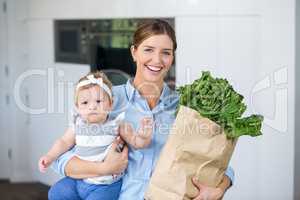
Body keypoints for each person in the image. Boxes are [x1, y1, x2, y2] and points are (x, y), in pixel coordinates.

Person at [50, 19, 235, 200]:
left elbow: (214, 159)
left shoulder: (185, 108)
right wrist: (104, 169)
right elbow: (62, 159)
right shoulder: (104, 102)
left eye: (166, 52)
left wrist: (219, 189)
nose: (157, 60)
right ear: (134, 52)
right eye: (148, 50)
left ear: (172, 58)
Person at [39, 71, 153, 200]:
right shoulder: (78, 125)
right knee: (56, 192)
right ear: (77, 107)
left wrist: (144, 135)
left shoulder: (117, 124)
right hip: (78, 180)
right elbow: (64, 142)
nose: (92, 106)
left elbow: (137, 142)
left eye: (98, 101)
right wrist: (49, 156)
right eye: (85, 103)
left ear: (110, 104)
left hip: (105, 186)